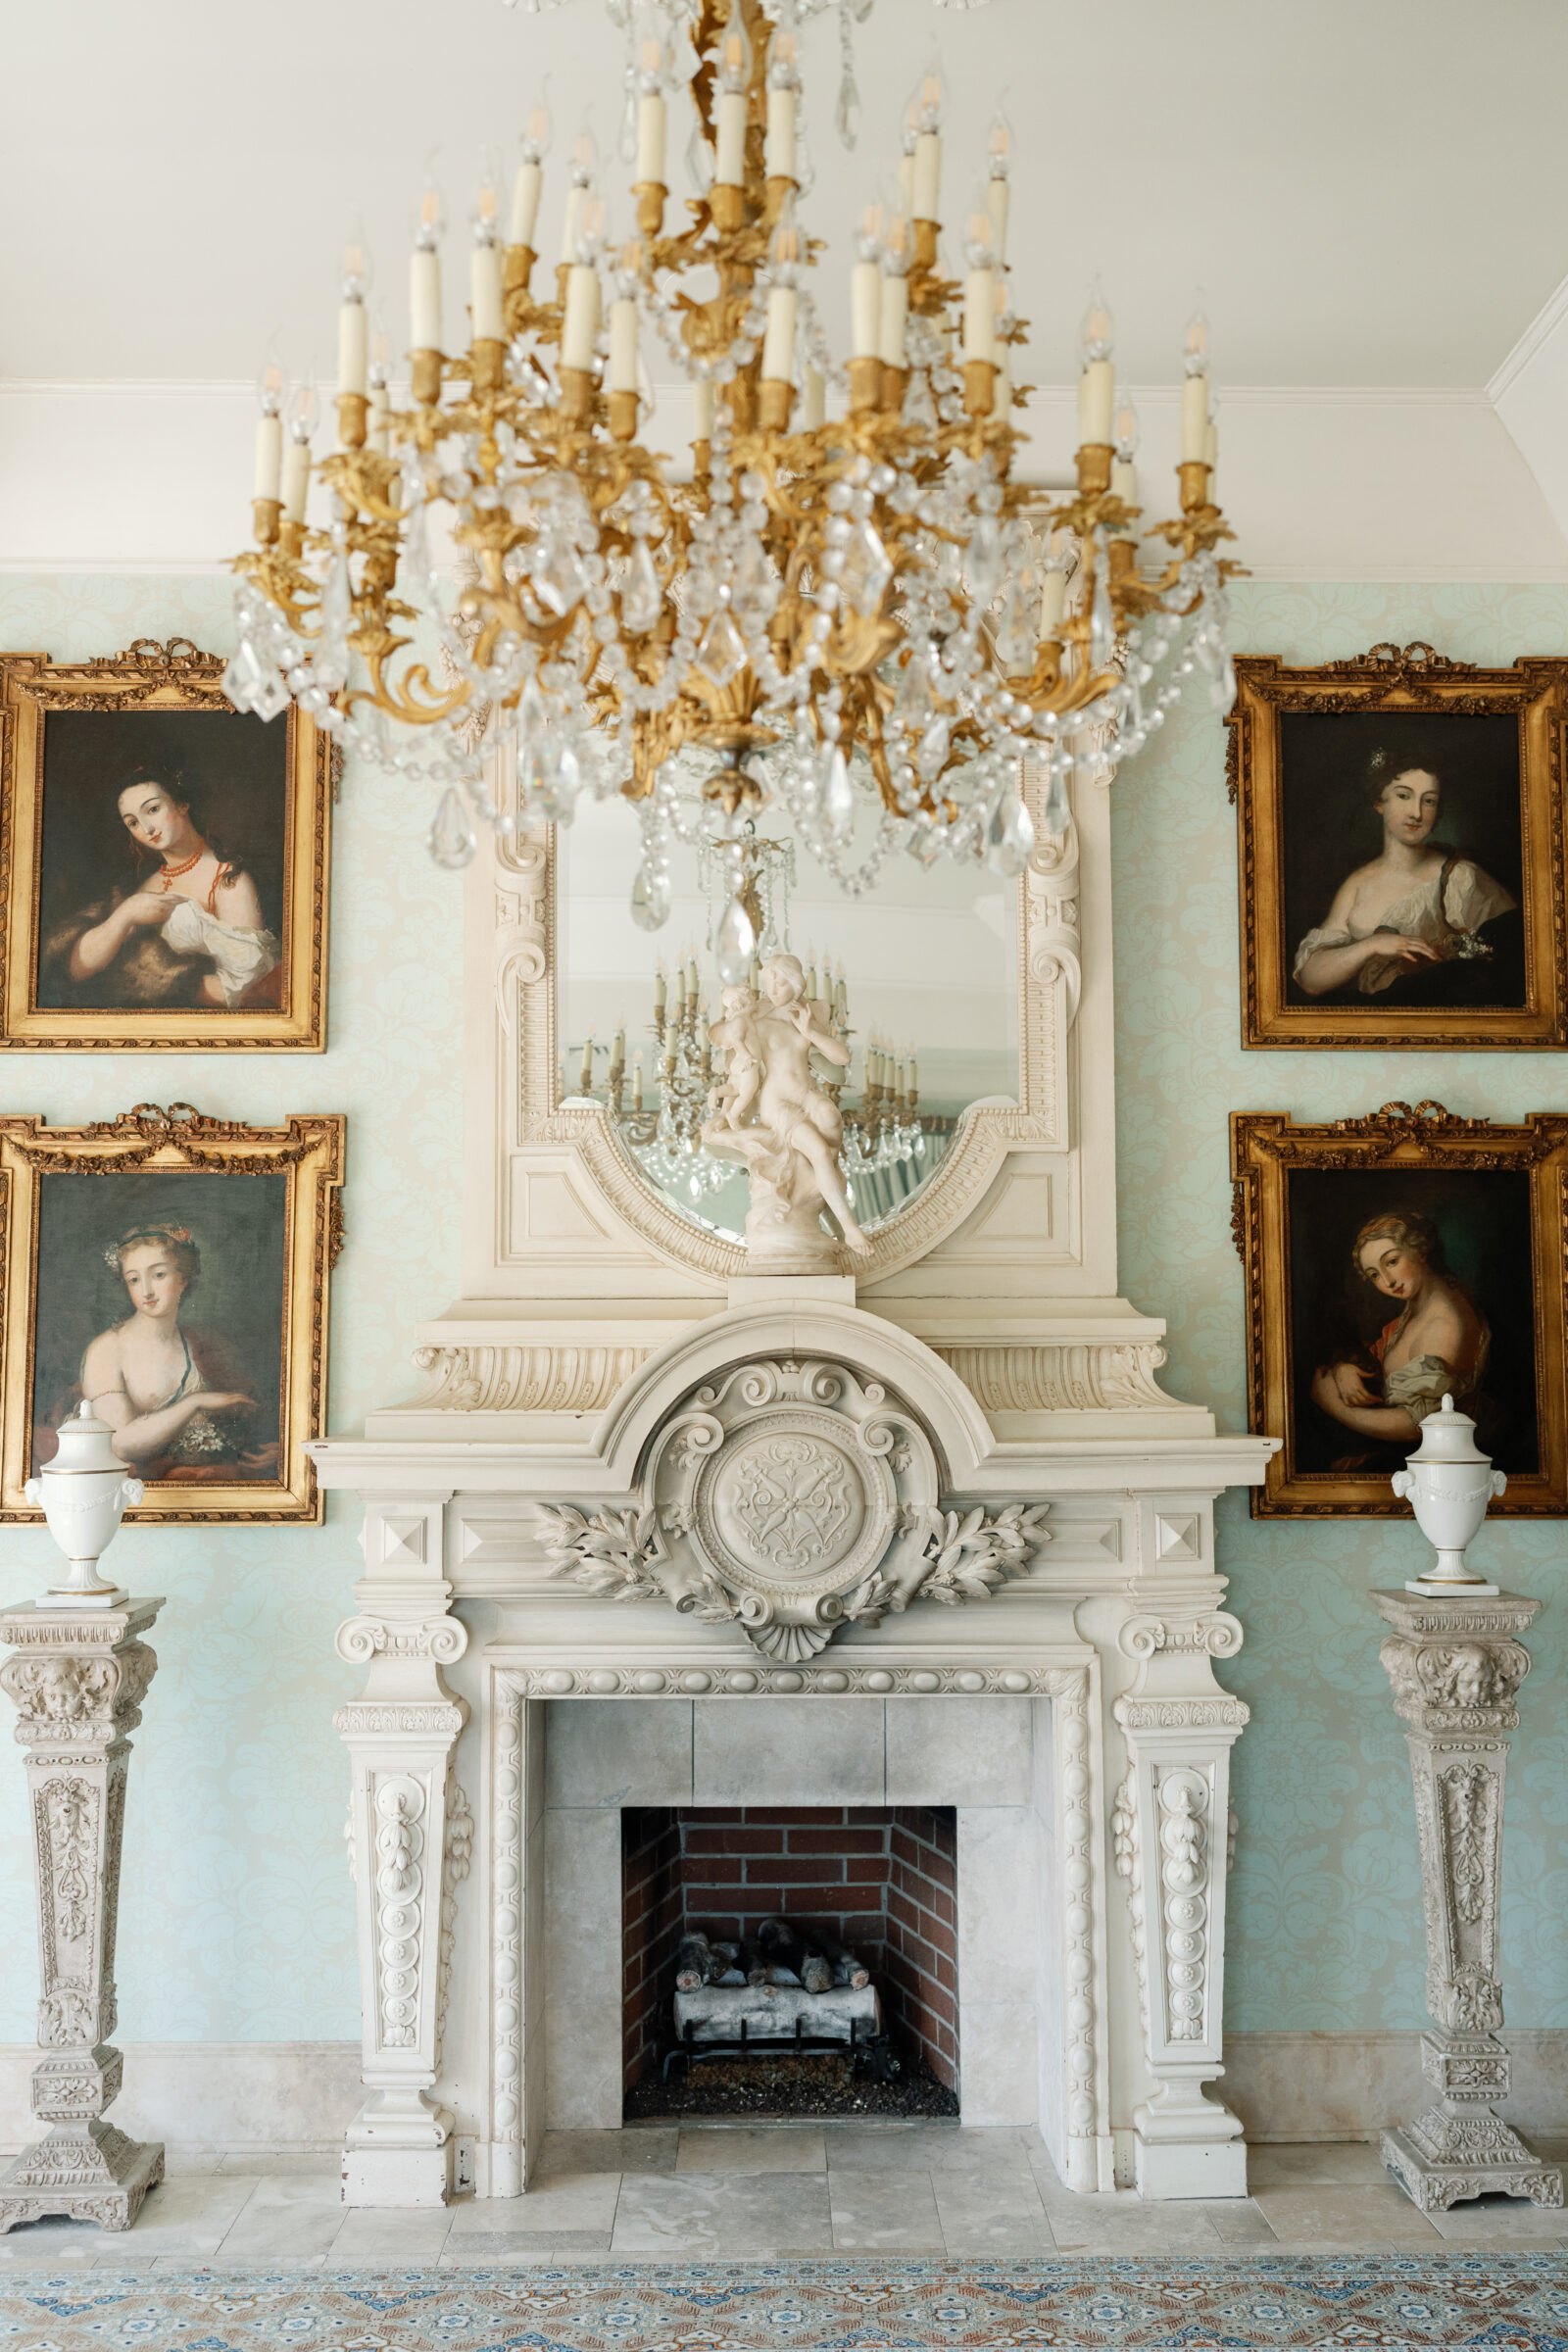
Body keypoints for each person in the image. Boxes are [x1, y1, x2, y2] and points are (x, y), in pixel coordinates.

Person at [1293, 754, 1517, 1003]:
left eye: (1429, 801)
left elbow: (1512, 955)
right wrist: (1370, 945)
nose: (1416, 813)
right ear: (1379, 803)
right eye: (1403, 795)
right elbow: (1311, 980)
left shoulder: (1460, 877)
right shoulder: (1357, 884)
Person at [48, 772, 281, 1010]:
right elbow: (76, 970)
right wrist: (125, 914)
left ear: (182, 804)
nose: (147, 828)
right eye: (133, 823)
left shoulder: (228, 880)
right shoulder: (144, 884)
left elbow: (249, 986)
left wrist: (165, 983)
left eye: (153, 810)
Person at [66, 1222, 276, 1479]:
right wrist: (194, 1402)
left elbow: (246, 1418)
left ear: (183, 1278)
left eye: (158, 1275)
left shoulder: (202, 1344)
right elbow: (119, 1443)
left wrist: (271, 1452)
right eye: (134, 1279)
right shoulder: (107, 1349)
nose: (146, 1291)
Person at [1309, 1209, 1492, 1465]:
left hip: (1428, 1460)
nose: (1387, 1281)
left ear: (1419, 1250)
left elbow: (1417, 1425)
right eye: (1374, 1274)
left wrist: (1334, 1407)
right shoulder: (1421, 1305)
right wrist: (1344, 1370)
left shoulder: (1443, 1326)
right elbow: (1381, 1357)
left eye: (1392, 1261)